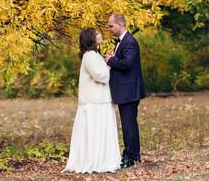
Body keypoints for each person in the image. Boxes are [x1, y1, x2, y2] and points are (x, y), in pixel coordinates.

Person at [62, 28, 121, 174]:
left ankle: (103, 158)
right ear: (91, 38)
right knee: (94, 133)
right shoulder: (89, 56)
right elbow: (100, 76)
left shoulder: (95, 55)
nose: (101, 35)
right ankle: (95, 160)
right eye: (97, 34)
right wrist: (110, 64)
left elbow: (101, 70)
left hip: (100, 100)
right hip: (94, 102)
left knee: (99, 133)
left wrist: (107, 59)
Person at [105, 13, 146, 168]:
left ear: (120, 25)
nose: (109, 29)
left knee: (129, 125)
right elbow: (124, 59)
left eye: (111, 26)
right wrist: (115, 56)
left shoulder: (129, 41)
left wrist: (111, 60)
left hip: (129, 90)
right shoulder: (123, 41)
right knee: (130, 124)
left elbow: (127, 63)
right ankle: (134, 155)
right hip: (127, 90)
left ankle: (129, 157)